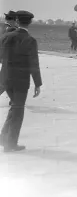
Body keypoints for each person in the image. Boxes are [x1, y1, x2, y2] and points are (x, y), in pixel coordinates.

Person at [0, 10, 42, 152]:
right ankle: (10, 144)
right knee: (18, 111)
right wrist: (38, 83)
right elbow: (34, 64)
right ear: (30, 23)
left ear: (17, 21)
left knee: (14, 107)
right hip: (20, 81)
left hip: (5, 78)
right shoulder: (30, 40)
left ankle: (3, 137)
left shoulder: (5, 37)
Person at [0, 10, 18, 103]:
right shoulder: (10, 29)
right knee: (4, 81)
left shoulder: (4, 27)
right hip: (9, 58)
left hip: (6, 58)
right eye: (16, 20)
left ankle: (14, 99)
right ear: (13, 20)